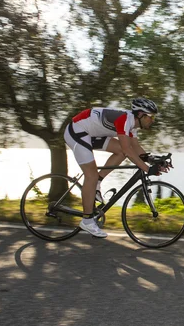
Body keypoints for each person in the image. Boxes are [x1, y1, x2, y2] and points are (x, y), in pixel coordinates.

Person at [63, 98, 163, 238]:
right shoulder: (124, 120)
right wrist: (147, 169)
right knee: (90, 175)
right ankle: (87, 220)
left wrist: (155, 161)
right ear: (140, 115)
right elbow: (128, 150)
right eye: (151, 117)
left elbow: (136, 148)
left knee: (119, 153)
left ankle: (98, 181)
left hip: (91, 134)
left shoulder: (132, 125)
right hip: (77, 131)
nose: (152, 120)